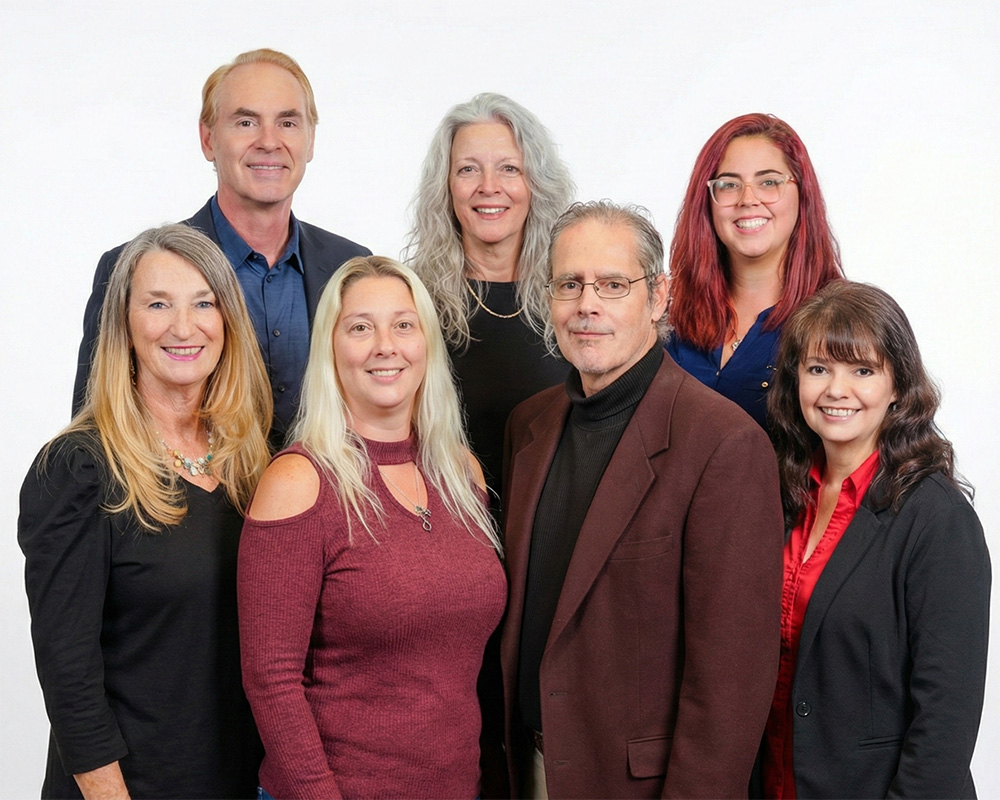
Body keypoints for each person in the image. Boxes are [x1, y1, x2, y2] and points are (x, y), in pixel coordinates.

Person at [501, 200, 783, 799]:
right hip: (525, 770)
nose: (587, 305)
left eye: (612, 284)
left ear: (658, 298)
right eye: (570, 284)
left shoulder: (724, 445)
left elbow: (729, 684)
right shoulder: (529, 426)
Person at [238, 256, 507, 799]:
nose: (386, 345)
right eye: (360, 327)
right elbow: (271, 681)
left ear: (426, 344)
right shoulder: (298, 482)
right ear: (331, 350)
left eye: (403, 325)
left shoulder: (460, 472)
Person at [19, 225, 272, 798]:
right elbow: (69, 676)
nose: (184, 327)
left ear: (227, 319)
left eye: (203, 303)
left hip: (238, 781)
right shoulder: (77, 467)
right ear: (124, 325)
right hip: (126, 787)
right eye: (158, 304)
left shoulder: (260, 459)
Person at [761, 280, 990, 799]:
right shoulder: (778, 495)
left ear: (898, 386)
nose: (836, 390)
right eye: (819, 369)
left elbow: (945, 720)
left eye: (862, 370)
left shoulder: (937, 519)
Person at [73, 48, 369, 446]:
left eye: (287, 122)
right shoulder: (132, 270)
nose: (269, 141)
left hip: (326, 505)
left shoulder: (352, 268)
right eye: (246, 122)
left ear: (310, 140)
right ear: (208, 139)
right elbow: (92, 438)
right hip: (185, 506)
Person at [405, 92, 575, 512]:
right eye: (468, 169)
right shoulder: (410, 302)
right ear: (445, 185)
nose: (489, 187)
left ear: (535, 183)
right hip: (445, 531)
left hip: (558, 532)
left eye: (509, 169)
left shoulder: (575, 297)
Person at [666, 113, 843, 432]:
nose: (748, 199)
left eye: (769, 182)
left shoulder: (843, 322)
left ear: (802, 194)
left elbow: (902, 446)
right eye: (729, 185)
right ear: (707, 201)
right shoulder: (667, 319)